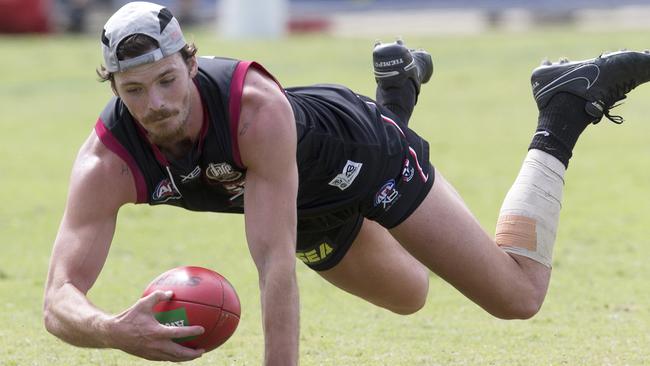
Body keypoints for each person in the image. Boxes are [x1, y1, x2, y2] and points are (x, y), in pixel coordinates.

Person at [43, 1, 650, 364]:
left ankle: (562, 109)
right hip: (303, 206)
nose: (156, 104)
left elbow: (274, 264)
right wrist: (114, 330)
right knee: (410, 294)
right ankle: (400, 92)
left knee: (517, 298)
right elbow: (57, 300)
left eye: (167, 80)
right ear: (113, 89)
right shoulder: (109, 160)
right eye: (134, 90)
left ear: (192, 64)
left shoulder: (254, 110)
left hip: (360, 151)